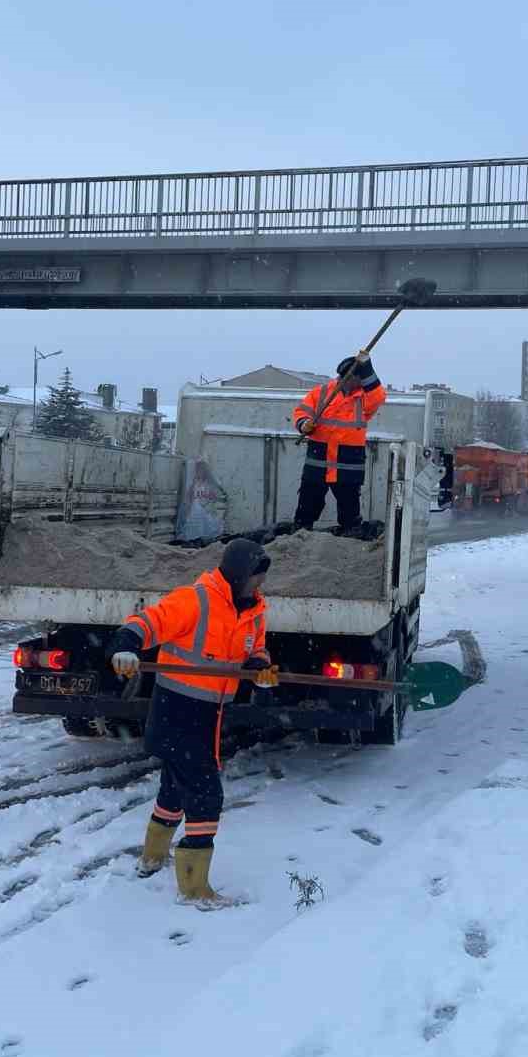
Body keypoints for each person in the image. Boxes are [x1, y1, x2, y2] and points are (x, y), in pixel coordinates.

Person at [107, 538, 278, 903]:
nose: (259, 585)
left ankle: (152, 858)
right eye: (254, 577)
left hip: (210, 713)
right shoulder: (195, 600)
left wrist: (259, 665)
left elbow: (256, 646)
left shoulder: (253, 609)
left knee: (175, 785)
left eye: (261, 578)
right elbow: (146, 622)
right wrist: (125, 646)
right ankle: (195, 887)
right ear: (236, 574)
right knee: (204, 794)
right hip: (177, 709)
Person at [291, 350, 388, 531]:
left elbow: (378, 396)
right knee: (307, 507)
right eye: (357, 378)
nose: (359, 383)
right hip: (318, 463)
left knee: (349, 512)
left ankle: (350, 539)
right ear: (347, 377)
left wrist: (367, 366)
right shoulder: (321, 393)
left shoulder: (365, 398)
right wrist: (304, 424)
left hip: (348, 466)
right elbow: (301, 412)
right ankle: (300, 536)